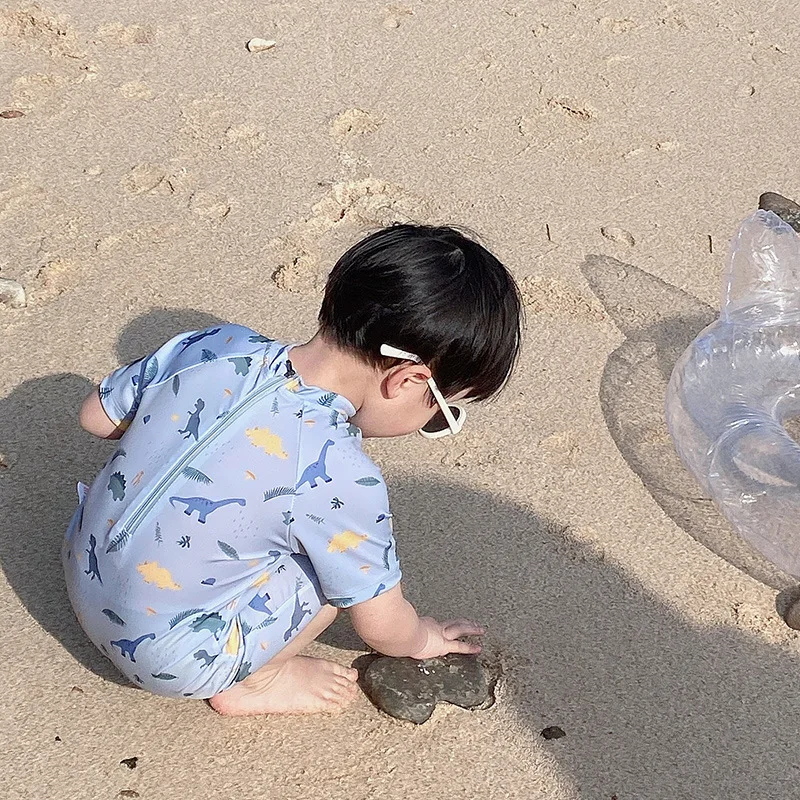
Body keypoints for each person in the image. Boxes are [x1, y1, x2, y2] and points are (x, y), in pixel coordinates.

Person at [64, 223, 523, 716]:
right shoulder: (344, 480)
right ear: (408, 381)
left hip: (80, 564)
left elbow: (96, 416)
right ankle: (253, 683)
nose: (433, 422)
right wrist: (421, 638)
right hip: (163, 658)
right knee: (337, 564)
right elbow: (380, 622)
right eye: (442, 412)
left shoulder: (216, 344)